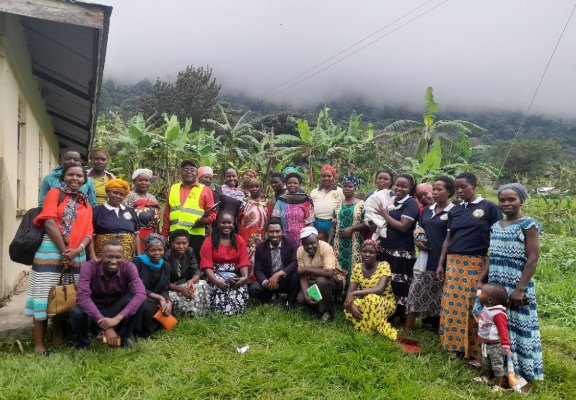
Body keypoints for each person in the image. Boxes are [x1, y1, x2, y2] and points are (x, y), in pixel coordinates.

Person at [477, 183, 543, 384]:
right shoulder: (496, 226)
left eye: (511, 199)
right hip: (496, 284)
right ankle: (500, 370)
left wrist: (520, 289)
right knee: (498, 325)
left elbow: (533, 258)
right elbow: (492, 255)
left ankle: (520, 372)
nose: (506, 203)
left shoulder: (528, 225)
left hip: (516, 284)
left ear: (521, 200)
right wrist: (482, 278)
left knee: (515, 324)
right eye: (503, 200)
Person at [25, 162, 93, 354]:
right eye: (71, 175)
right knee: (44, 297)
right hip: (50, 251)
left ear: (84, 180)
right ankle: (39, 345)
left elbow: (89, 231)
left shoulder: (85, 201)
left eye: (79, 176)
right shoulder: (55, 193)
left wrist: (77, 250)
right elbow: (48, 221)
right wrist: (65, 251)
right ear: (63, 177)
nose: (75, 179)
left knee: (66, 296)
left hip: (76, 255)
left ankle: (58, 338)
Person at [436, 172, 501, 361]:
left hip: (476, 264)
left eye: (463, 187)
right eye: (457, 188)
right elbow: (448, 239)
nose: (459, 191)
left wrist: (485, 272)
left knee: (474, 307)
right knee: (452, 306)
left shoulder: (489, 208)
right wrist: (442, 263)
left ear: (474, 185)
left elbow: (495, 242)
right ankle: (455, 347)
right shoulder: (454, 210)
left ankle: (475, 351)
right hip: (454, 264)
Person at [71, 240, 146, 349]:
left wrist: (118, 318)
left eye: (118, 257)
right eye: (109, 257)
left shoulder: (129, 267)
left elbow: (141, 293)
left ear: (123, 257)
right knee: (76, 311)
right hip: (94, 311)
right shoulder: (89, 267)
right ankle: (82, 345)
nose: (114, 261)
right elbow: (82, 297)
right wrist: (107, 327)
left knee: (137, 301)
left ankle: (123, 338)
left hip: (116, 309)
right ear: (100, 256)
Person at [405, 177, 455, 330]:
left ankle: (440, 328)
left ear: (450, 192)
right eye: (434, 189)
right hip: (426, 259)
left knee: (443, 297)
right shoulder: (427, 210)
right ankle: (408, 328)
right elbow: (419, 228)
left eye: (439, 189)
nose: (435, 192)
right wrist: (418, 239)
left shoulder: (455, 211)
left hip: (445, 260)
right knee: (415, 291)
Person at [377, 173, 419, 324]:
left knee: (399, 283)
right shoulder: (392, 199)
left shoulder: (411, 204)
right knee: (386, 281)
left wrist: (385, 215)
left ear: (410, 188)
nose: (400, 188)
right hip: (386, 248)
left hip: (401, 251)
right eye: (398, 185)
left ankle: (400, 315)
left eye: (404, 186)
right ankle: (386, 311)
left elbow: (403, 226)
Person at [161, 160, 216, 264]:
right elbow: (167, 214)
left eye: (192, 170)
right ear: (180, 172)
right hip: (175, 234)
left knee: (193, 265)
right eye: (185, 170)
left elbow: (213, 213)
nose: (189, 172)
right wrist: (164, 234)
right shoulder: (173, 188)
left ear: (197, 173)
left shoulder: (205, 190)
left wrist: (205, 220)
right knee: (174, 265)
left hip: (195, 236)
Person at [343, 240, 397, 340]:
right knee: (348, 307)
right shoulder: (357, 268)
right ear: (360, 252)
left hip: (385, 302)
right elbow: (349, 295)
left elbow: (379, 290)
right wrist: (352, 305)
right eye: (364, 251)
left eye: (371, 252)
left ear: (377, 253)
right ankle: (373, 325)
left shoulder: (384, 266)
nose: (367, 254)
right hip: (366, 301)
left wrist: (354, 293)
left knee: (372, 298)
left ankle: (365, 330)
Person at [200, 212, 250, 315]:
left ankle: (234, 308)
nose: (226, 225)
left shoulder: (239, 240)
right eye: (223, 222)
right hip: (214, 274)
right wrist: (216, 281)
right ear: (217, 224)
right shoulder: (209, 241)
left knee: (238, 285)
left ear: (234, 223)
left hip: (233, 273)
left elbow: (244, 260)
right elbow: (206, 265)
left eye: (229, 222)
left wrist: (244, 277)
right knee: (220, 285)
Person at [296, 227, 345, 322]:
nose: (310, 246)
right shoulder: (300, 251)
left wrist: (305, 268)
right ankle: (324, 301)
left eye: (313, 243)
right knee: (301, 299)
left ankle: (326, 311)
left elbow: (329, 272)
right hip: (313, 282)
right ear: (302, 244)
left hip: (335, 281)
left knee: (321, 280)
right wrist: (306, 297)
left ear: (318, 240)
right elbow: (303, 275)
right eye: (306, 244)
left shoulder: (326, 247)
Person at [249, 219, 300, 306]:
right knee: (253, 288)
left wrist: (278, 274)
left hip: (285, 279)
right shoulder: (261, 247)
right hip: (269, 280)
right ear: (266, 233)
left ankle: (289, 302)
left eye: (277, 231)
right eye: (271, 232)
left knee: (296, 275)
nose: (274, 235)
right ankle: (270, 298)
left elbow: (294, 263)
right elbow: (258, 270)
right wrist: (266, 283)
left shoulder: (291, 243)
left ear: (282, 232)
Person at [132, 234, 173, 337]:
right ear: (146, 250)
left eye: (160, 250)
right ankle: (141, 331)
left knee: (167, 306)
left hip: (154, 296)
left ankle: (156, 327)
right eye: (153, 250)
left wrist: (168, 301)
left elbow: (164, 288)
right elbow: (135, 286)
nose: (157, 253)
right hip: (138, 294)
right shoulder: (138, 262)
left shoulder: (165, 266)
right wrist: (159, 297)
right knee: (146, 305)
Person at [165, 229, 212, 317]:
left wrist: (192, 281)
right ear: (171, 243)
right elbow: (166, 282)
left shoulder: (190, 251)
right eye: (178, 243)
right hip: (173, 287)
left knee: (203, 284)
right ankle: (185, 314)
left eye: (184, 243)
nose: (181, 246)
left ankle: (199, 312)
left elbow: (196, 271)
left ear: (188, 243)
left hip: (185, 283)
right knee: (173, 296)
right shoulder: (167, 256)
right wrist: (182, 289)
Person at [474, 283, 512, 390]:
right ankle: (487, 377)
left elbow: (503, 331)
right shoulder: (486, 307)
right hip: (485, 344)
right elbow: (477, 302)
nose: (479, 294)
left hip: (495, 345)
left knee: (497, 366)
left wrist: (505, 345)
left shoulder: (498, 314)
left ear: (490, 300)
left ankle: (499, 385)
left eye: (482, 293)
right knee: (486, 363)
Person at [91, 178, 140, 260]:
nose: (118, 196)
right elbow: (91, 236)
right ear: (108, 192)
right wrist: (93, 256)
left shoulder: (130, 211)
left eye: (121, 194)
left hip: (127, 258)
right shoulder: (97, 211)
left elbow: (136, 235)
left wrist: (138, 257)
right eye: (115, 192)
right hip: (104, 258)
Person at [329, 176, 366, 282]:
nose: (347, 188)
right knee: (338, 269)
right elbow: (333, 225)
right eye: (345, 186)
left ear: (356, 188)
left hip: (355, 243)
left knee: (355, 268)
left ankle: (353, 294)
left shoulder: (362, 205)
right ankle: (340, 294)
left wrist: (352, 228)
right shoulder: (338, 206)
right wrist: (329, 243)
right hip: (338, 243)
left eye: (350, 186)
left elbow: (367, 223)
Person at [238, 178, 271, 276]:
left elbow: (269, 219)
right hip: (245, 234)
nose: (254, 189)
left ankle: (258, 278)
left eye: (257, 186)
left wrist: (267, 234)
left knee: (259, 256)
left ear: (261, 188)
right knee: (246, 256)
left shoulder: (267, 202)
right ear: (248, 188)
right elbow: (239, 219)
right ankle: (245, 278)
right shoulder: (244, 202)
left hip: (261, 234)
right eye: (251, 187)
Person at [272, 172, 315, 243]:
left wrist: (309, 238)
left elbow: (310, 223)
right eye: (289, 183)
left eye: (295, 183)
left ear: (299, 185)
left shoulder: (305, 201)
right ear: (286, 184)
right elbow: (275, 220)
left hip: (302, 239)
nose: (292, 185)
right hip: (284, 239)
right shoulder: (280, 201)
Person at [125, 168, 161, 251]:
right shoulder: (130, 196)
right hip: (136, 235)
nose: (144, 183)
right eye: (140, 180)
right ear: (134, 181)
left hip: (152, 235)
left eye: (146, 180)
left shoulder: (152, 197)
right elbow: (126, 216)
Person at [309, 164, 344, 240]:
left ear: (333, 177)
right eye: (323, 176)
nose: (326, 178)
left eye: (329, 176)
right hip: (316, 223)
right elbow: (309, 208)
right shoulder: (314, 192)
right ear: (320, 177)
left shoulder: (340, 191)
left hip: (333, 223)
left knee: (332, 246)